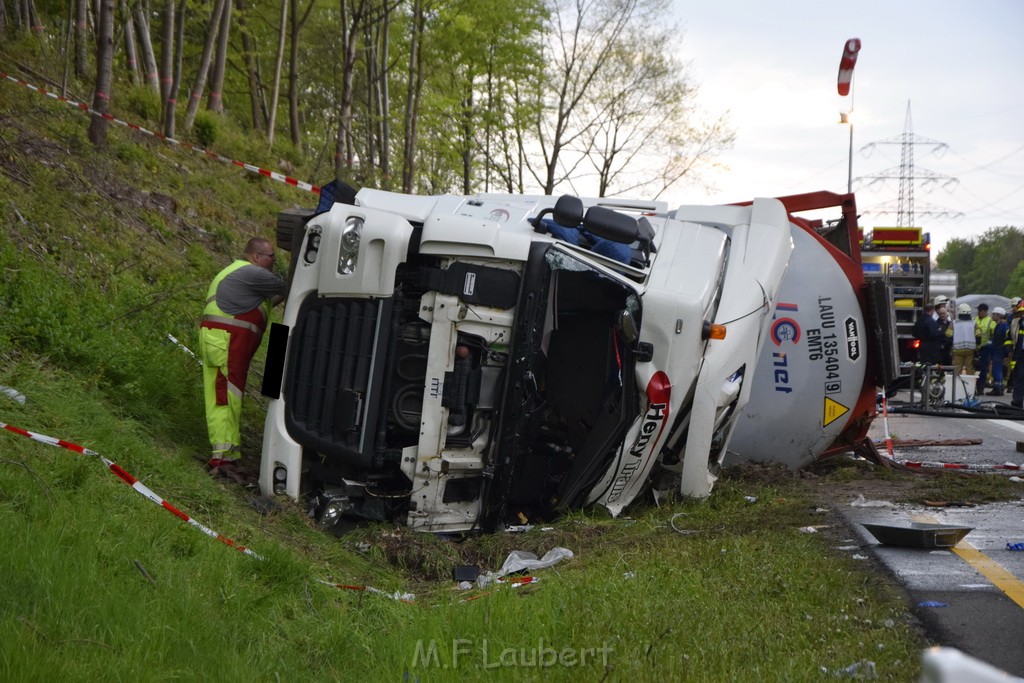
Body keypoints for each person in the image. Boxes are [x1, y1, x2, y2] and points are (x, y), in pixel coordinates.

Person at [199, 237, 287, 469]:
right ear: (256, 257)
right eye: (271, 257)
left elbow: (271, 300)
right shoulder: (253, 274)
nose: (274, 261)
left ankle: (228, 454)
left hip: (221, 340)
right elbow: (288, 287)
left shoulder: (240, 273)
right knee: (226, 395)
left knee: (225, 393)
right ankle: (223, 456)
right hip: (227, 341)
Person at [974, 302, 997, 394]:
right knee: (973, 369)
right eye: (978, 310)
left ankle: (980, 388)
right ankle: (973, 388)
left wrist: (989, 343)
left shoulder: (990, 321)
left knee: (983, 369)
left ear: (985, 311)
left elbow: (994, 334)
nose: (978, 312)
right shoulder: (974, 319)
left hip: (985, 349)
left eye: (980, 310)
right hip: (974, 348)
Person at [986, 307, 1010, 396]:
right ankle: (998, 388)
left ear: (999, 316)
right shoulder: (999, 325)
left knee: (997, 370)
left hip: (999, 351)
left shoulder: (1004, 326)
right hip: (997, 350)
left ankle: (998, 389)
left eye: (994, 314)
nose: (992, 316)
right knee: (996, 369)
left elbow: (1007, 338)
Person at [950, 303, 976, 376]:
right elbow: (979, 336)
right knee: (969, 367)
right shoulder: (973, 323)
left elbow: (948, 335)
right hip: (970, 350)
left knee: (957, 368)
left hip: (957, 350)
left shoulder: (954, 323)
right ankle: (970, 385)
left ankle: (956, 384)